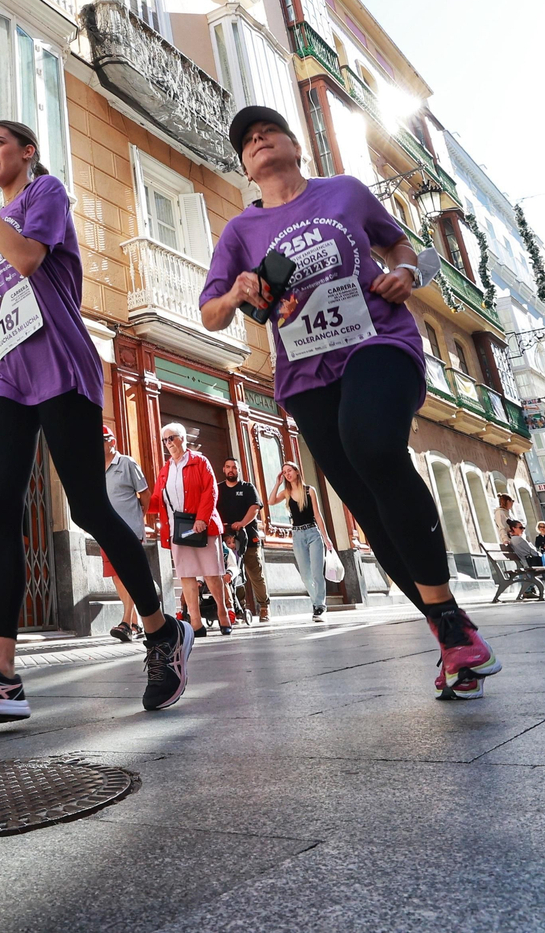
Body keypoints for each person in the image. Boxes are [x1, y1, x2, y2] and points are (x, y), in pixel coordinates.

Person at [200, 105, 501, 700]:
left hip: (377, 340)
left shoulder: (345, 192)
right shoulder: (240, 233)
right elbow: (210, 315)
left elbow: (401, 248)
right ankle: (454, 636)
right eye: (248, 141)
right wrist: (237, 289)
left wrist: (406, 273)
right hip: (306, 376)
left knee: (372, 445)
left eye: (269, 131)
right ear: (244, 166)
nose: (258, 140)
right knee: (367, 500)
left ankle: (448, 623)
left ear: (294, 146)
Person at [0, 120, 194, 721]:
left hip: (60, 364)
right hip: (9, 370)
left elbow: (31, 259)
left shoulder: (46, 193)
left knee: (87, 506)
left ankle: (163, 632)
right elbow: (12, 292)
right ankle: (1, 670)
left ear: (28, 152)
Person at [148, 427, 229, 637]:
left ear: (182, 438)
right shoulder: (165, 470)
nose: (168, 443)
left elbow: (210, 490)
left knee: (211, 574)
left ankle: (222, 612)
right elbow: (157, 499)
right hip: (178, 529)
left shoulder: (200, 461)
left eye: (172, 438)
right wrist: (137, 502)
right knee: (186, 574)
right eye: (165, 440)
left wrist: (202, 518)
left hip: (204, 526)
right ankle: (195, 622)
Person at [100, 426, 151, 642]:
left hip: (129, 529)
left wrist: (138, 517)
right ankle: (135, 623)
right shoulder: (94, 468)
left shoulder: (127, 463)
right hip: (106, 531)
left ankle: (126, 622)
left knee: (127, 574)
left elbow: (145, 494)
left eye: (101, 440)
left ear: (112, 442)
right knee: (116, 576)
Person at [270, 461, 332, 621]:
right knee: (305, 575)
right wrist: (277, 484)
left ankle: (319, 606)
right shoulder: (286, 492)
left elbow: (318, 516)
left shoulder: (309, 490)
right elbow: (270, 501)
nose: (287, 474)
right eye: (284, 472)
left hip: (313, 533)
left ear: (297, 472)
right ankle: (317, 603)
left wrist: (326, 538)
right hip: (297, 535)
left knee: (317, 572)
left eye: (289, 470)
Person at [218, 457, 268, 623]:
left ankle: (264, 607)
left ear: (238, 470)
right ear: (224, 470)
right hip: (226, 541)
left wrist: (242, 523)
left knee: (255, 573)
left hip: (248, 537)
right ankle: (239, 607)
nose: (231, 470)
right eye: (228, 467)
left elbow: (255, 508)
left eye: (234, 467)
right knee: (233, 574)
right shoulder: (218, 489)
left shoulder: (247, 487)